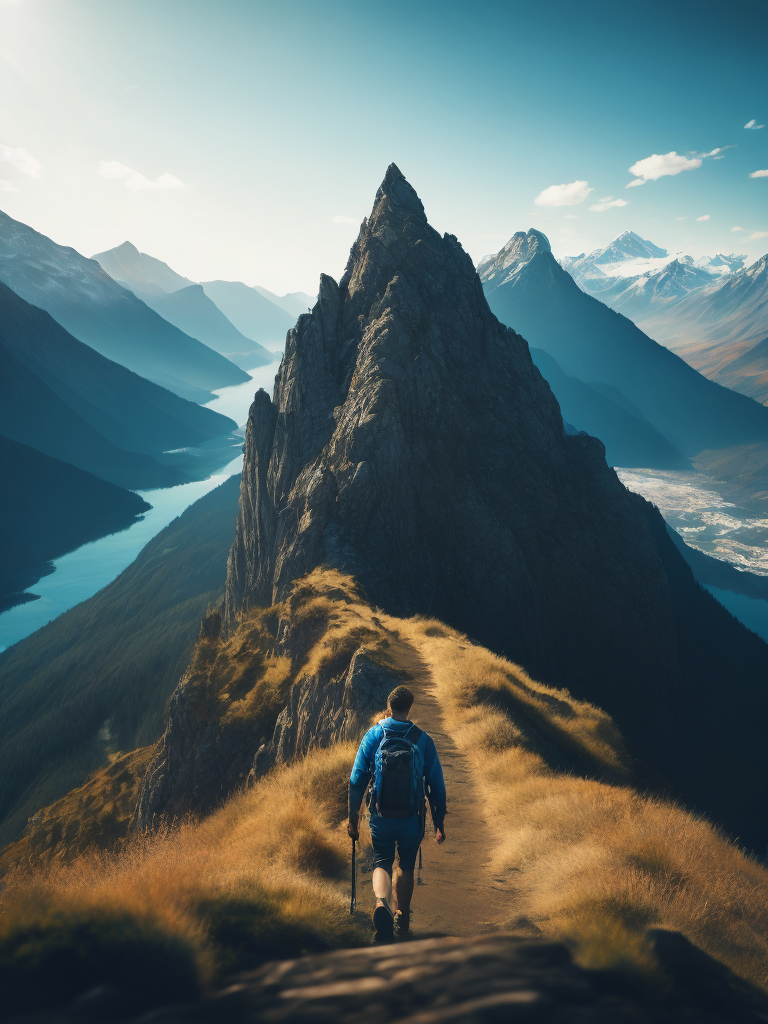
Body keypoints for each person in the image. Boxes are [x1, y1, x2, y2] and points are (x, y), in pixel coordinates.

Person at [347, 684, 446, 941]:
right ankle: (402, 914)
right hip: (411, 818)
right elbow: (436, 785)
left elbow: (357, 779)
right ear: (409, 707)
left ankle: (382, 904)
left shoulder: (373, 735)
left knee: (382, 860)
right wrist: (438, 823)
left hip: (381, 816)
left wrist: (353, 820)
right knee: (406, 865)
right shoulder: (422, 739)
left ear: (390, 706)